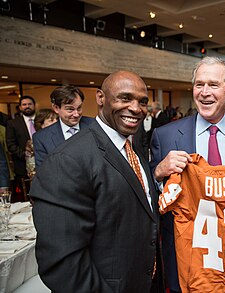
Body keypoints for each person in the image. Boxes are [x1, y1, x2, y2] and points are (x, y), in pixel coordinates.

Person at [30, 70, 162, 293]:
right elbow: (63, 264)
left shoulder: (132, 147)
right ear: (100, 98)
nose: (136, 108)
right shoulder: (67, 160)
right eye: (125, 98)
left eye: (142, 101)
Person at [150, 56, 225, 293]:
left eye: (213, 85)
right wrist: (158, 173)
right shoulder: (165, 135)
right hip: (186, 251)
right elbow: (145, 188)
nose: (204, 92)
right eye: (199, 84)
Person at [33, 85, 94, 168]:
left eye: (79, 108)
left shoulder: (95, 125)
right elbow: (44, 173)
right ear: (56, 108)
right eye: (70, 109)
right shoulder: (42, 138)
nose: (76, 114)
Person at [6, 95, 37, 202]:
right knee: (28, 197)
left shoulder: (42, 120)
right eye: (24, 104)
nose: (27, 106)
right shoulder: (13, 123)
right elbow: (11, 145)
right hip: (23, 166)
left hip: (44, 164)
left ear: (34, 105)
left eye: (29, 104)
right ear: (20, 107)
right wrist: (27, 156)